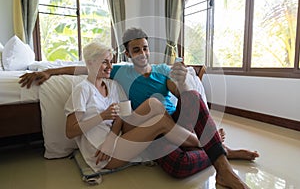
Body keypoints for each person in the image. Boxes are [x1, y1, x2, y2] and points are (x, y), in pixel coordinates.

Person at [20, 28, 259, 188]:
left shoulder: (158, 72)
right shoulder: (116, 73)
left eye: (145, 48)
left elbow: (179, 96)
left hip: (175, 123)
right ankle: (217, 146)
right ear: (128, 53)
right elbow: (81, 70)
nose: (143, 53)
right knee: (178, 164)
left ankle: (220, 158)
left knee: (186, 99)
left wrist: (182, 82)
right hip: (144, 133)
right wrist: (49, 71)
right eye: (136, 50)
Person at [64, 41, 200, 172]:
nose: (110, 66)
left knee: (154, 103)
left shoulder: (113, 86)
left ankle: (192, 140)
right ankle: (204, 143)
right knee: (161, 122)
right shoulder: (82, 90)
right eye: (104, 62)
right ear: (90, 63)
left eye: (111, 61)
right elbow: (70, 132)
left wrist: (111, 140)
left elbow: (122, 117)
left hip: (116, 138)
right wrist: (102, 116)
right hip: (102, 153)